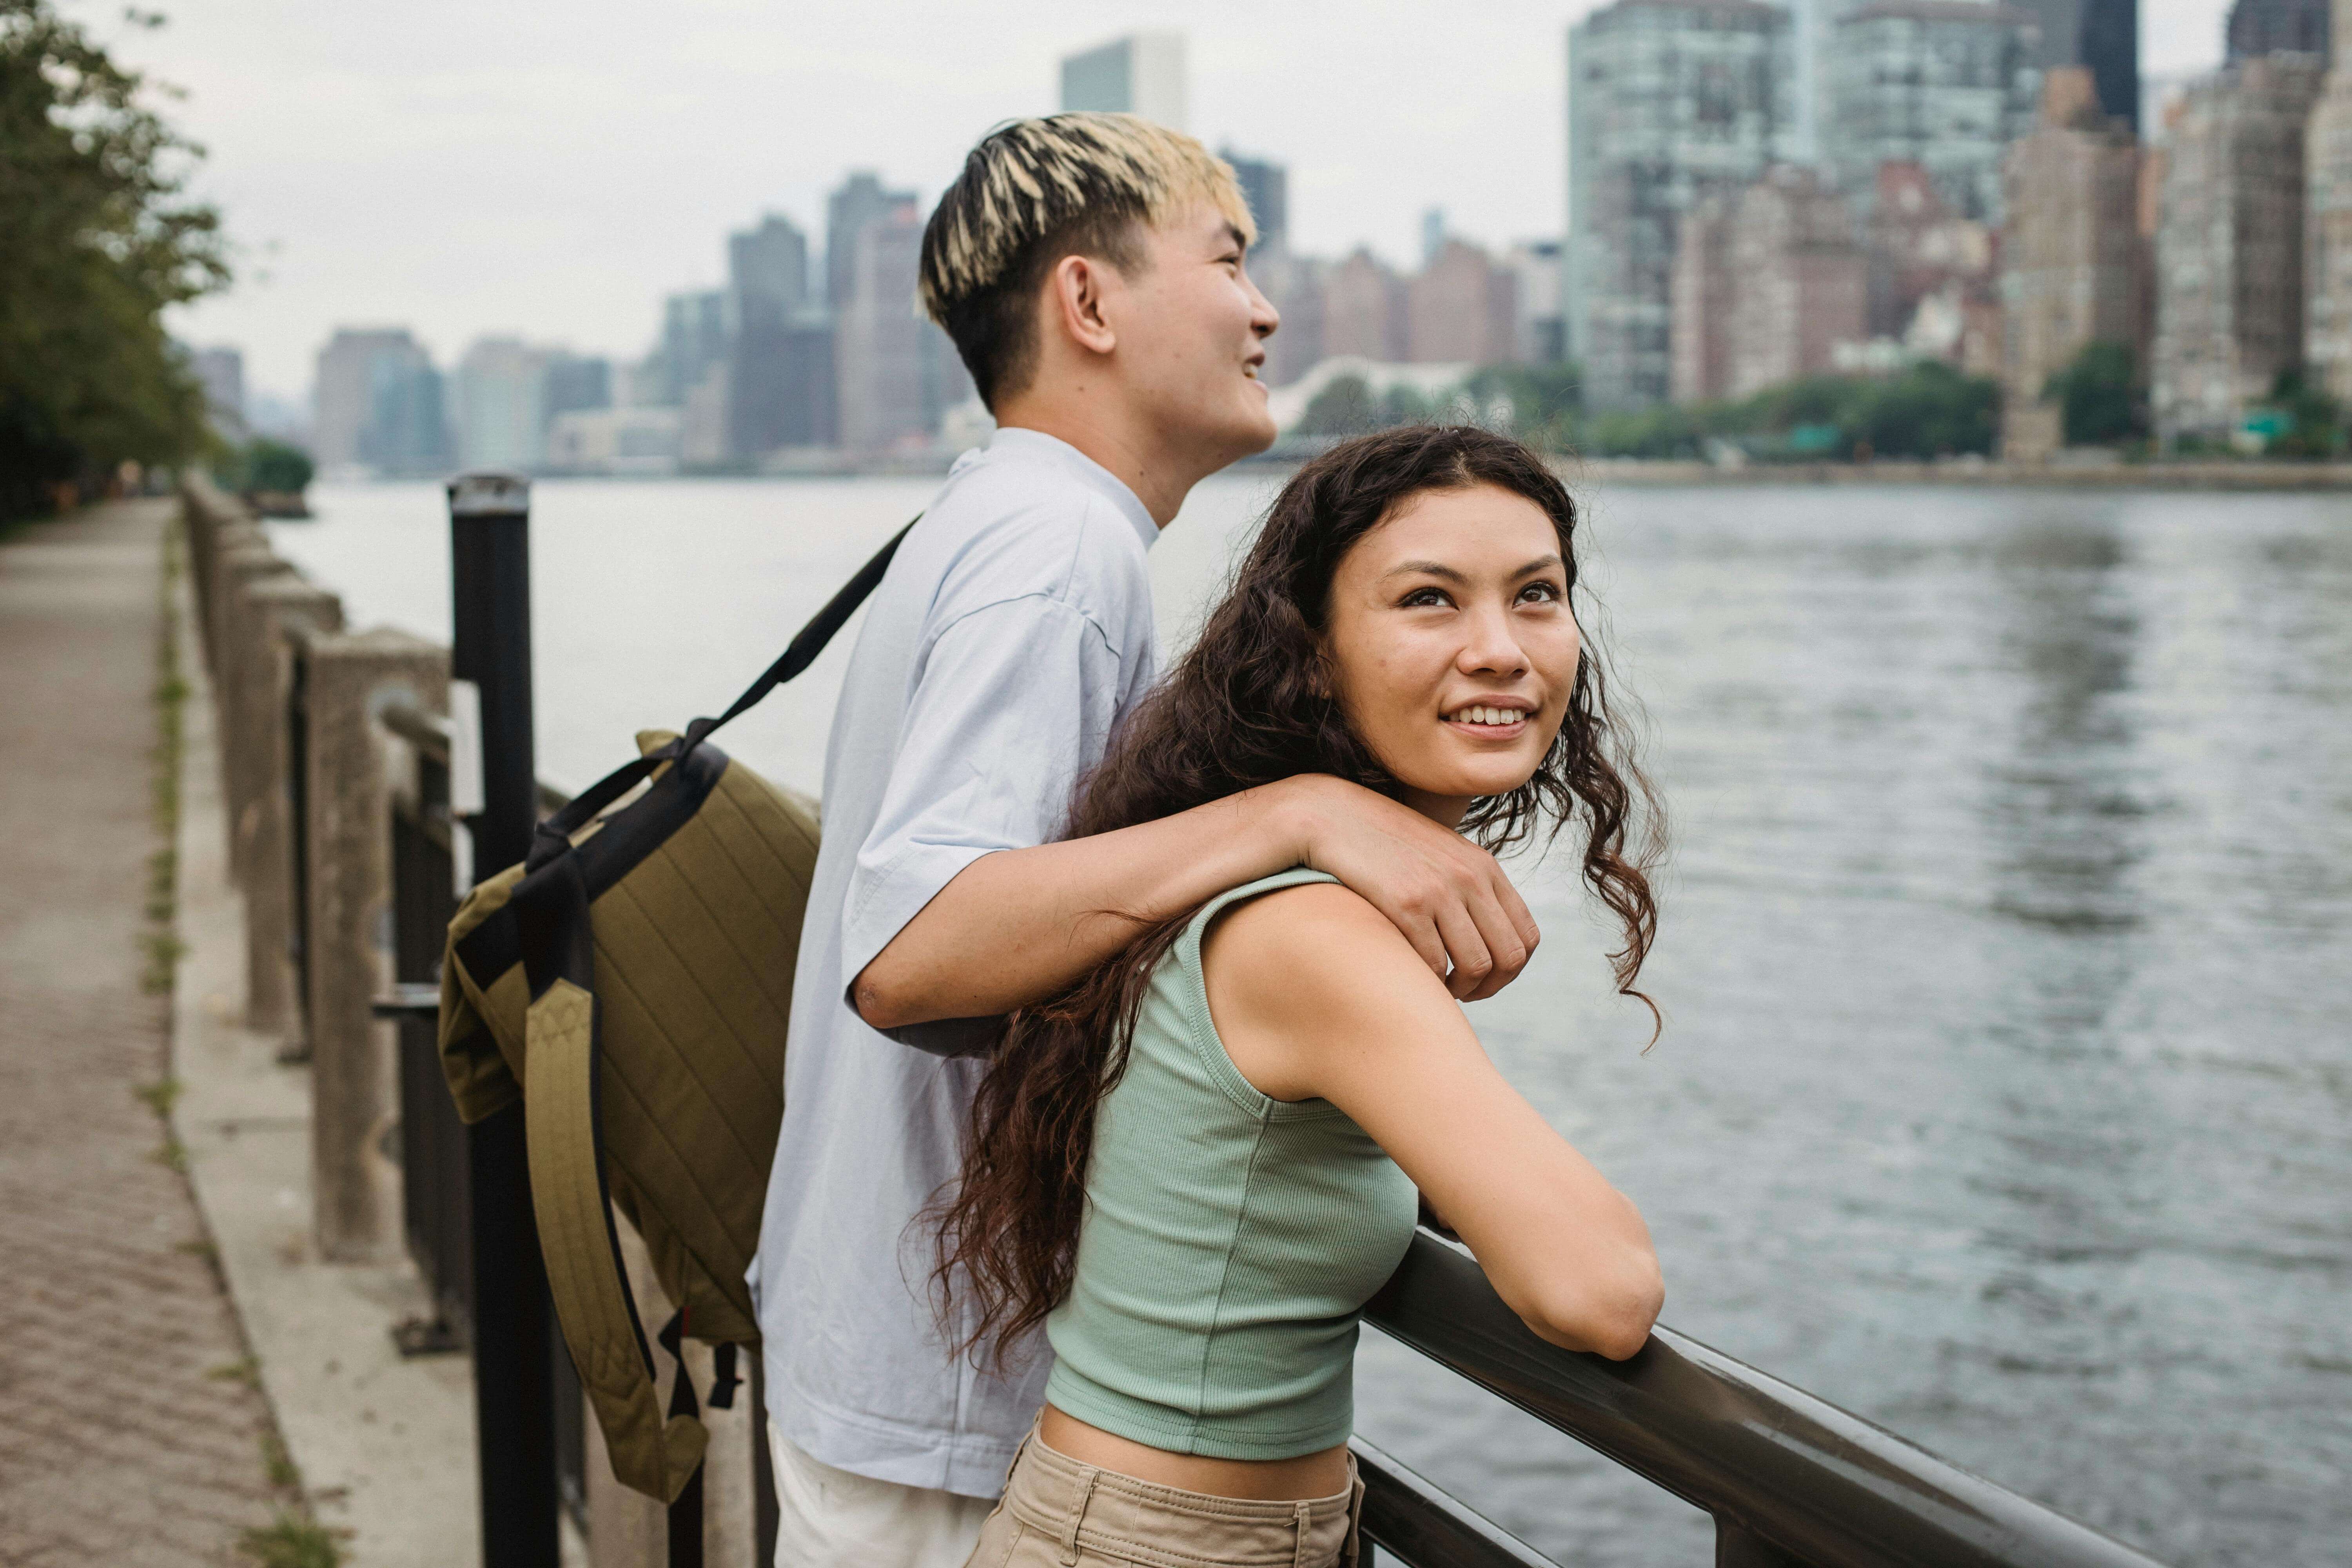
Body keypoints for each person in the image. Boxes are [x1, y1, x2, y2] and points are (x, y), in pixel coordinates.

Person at [750, 117, 1545, 1568]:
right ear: (1090, 304)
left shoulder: (1004, 518)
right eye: (1230, 261)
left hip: (890, 1351)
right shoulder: (1058, 546)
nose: (1266, 309)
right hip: (952, 1409)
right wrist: (1298, 814)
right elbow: (912, 953)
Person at [930, 425, 1666, 1568]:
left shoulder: (1259, 888)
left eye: (1537, 595)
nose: (1501, 650)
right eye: (1430, 600)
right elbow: (1599, 1292)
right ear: (1313, 646)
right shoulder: (1314, 935)